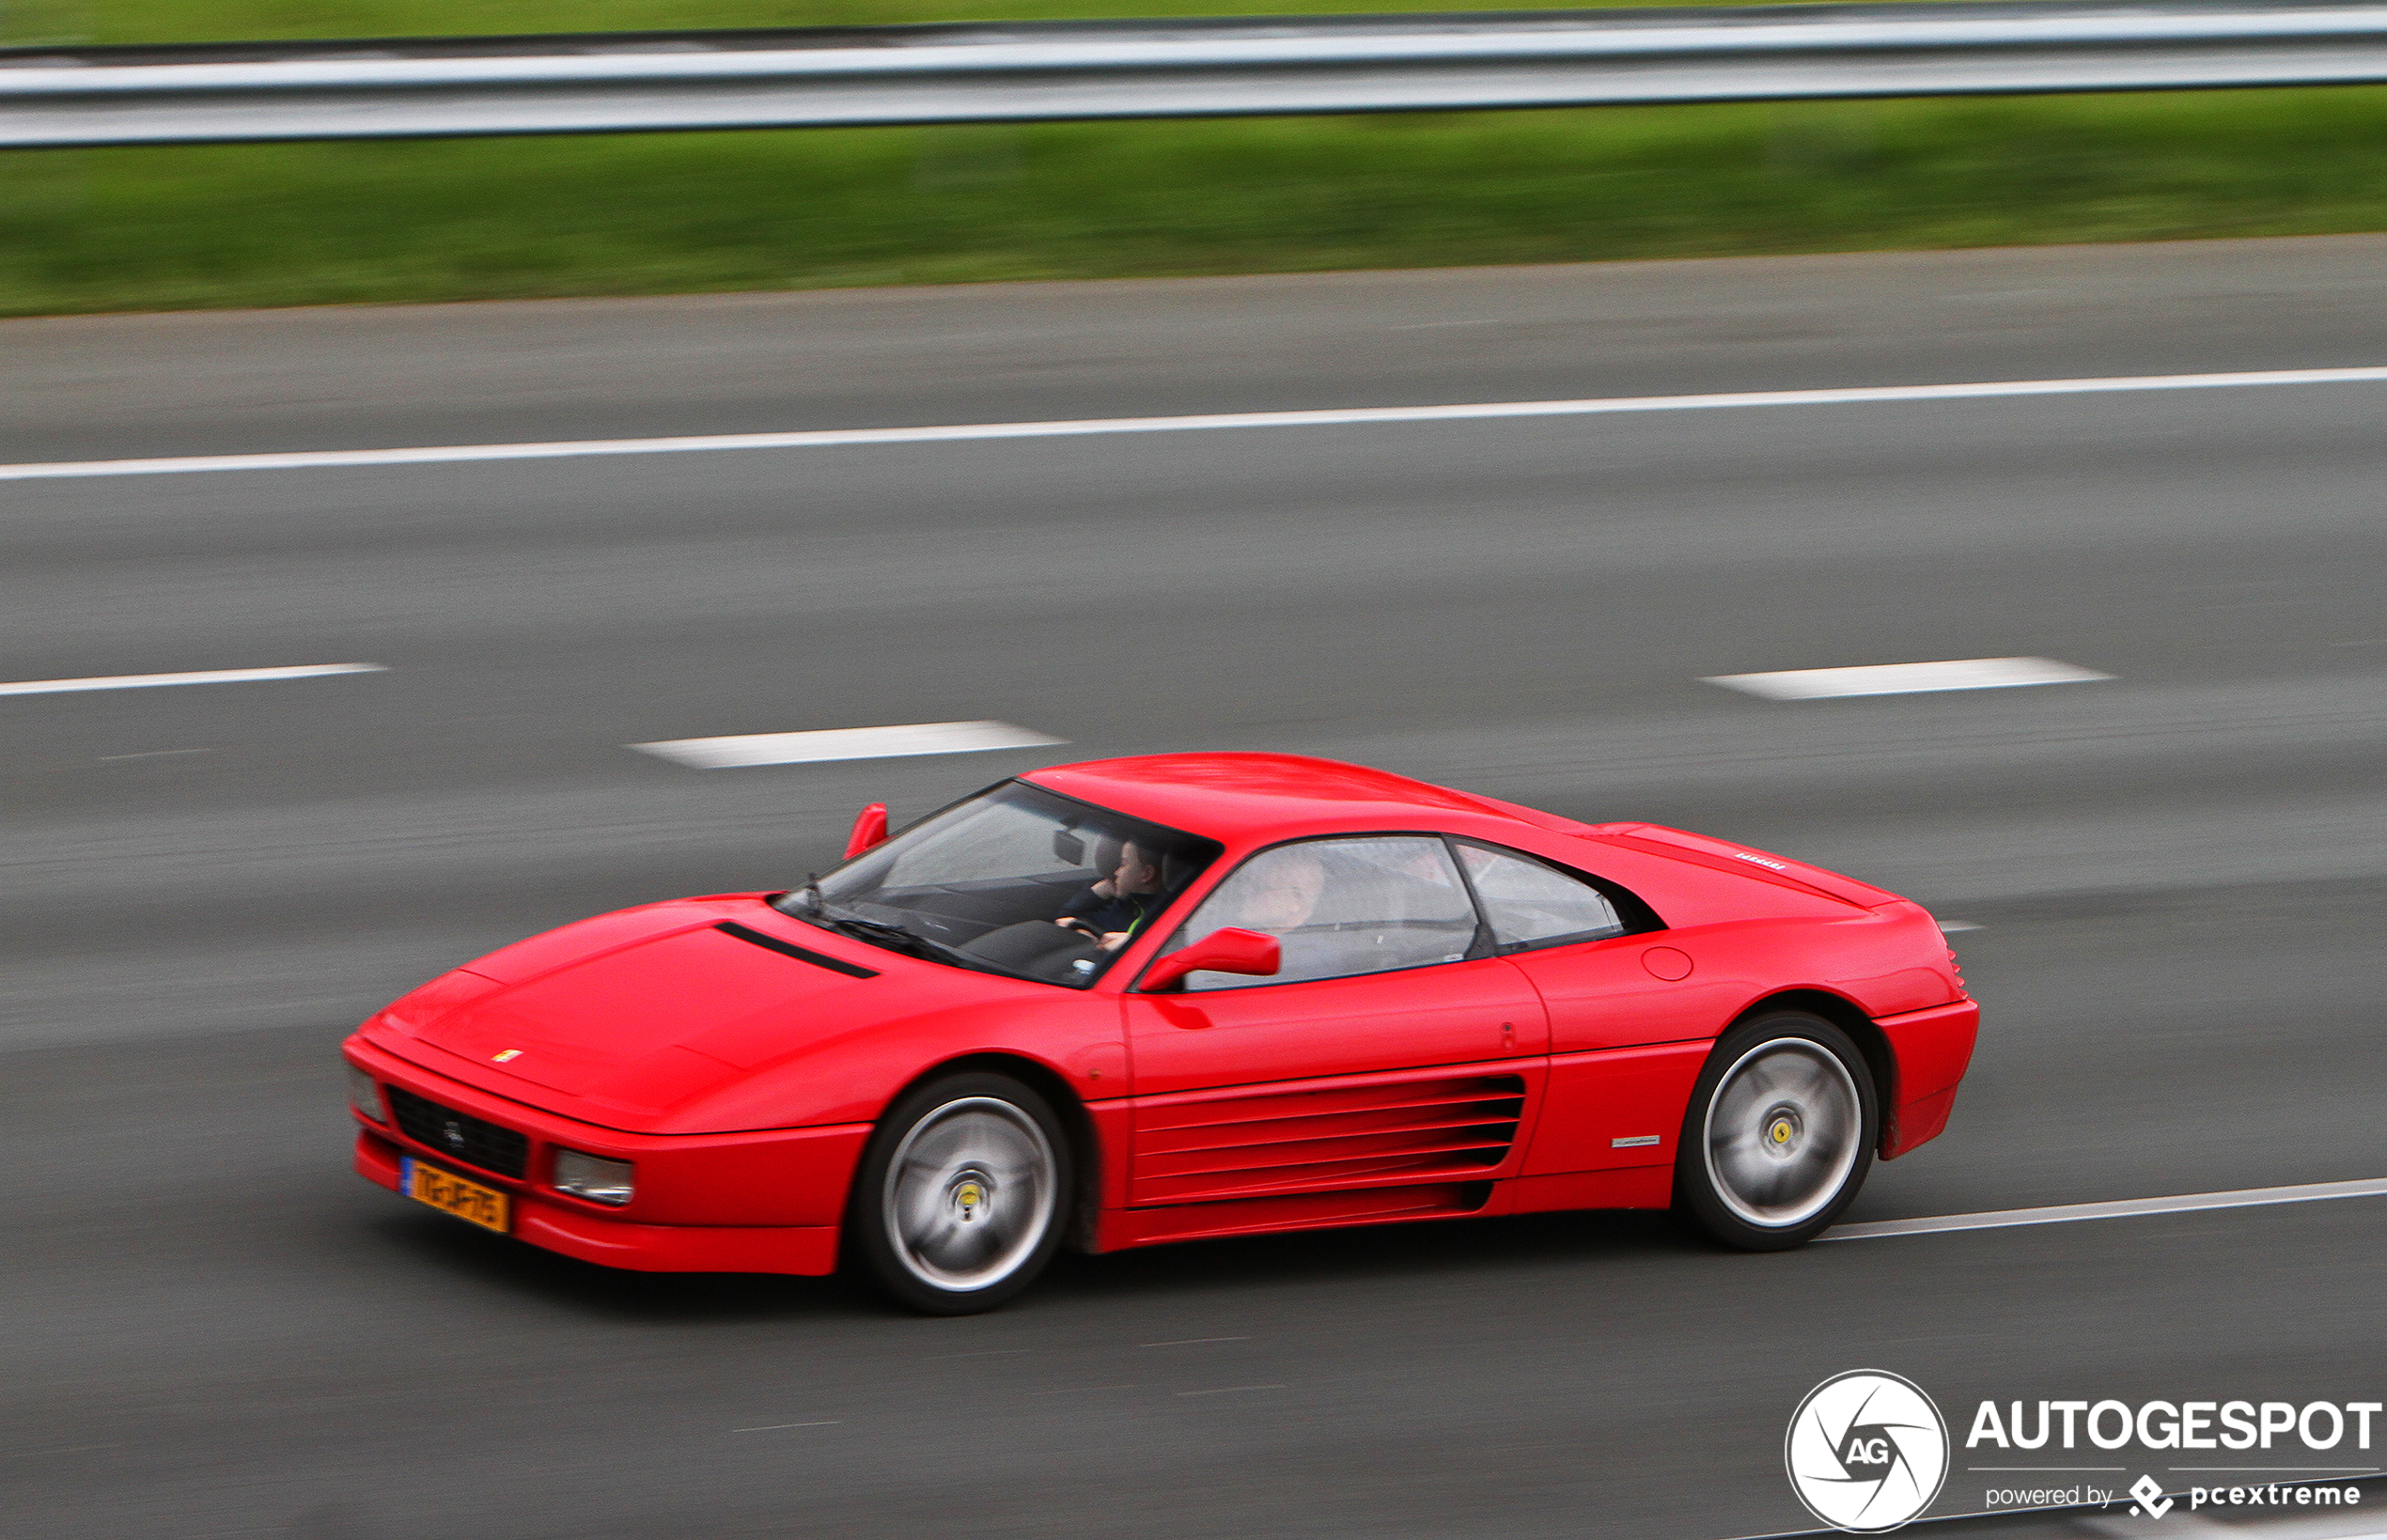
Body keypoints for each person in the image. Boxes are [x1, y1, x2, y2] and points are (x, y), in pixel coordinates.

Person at [1053, 839, 1173, 952]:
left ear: (1146, 874)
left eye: (1123, 864)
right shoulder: (1125, 903)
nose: (1116, 872)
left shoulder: (1160, 919)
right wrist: (1096, 892)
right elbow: (1064, 919)